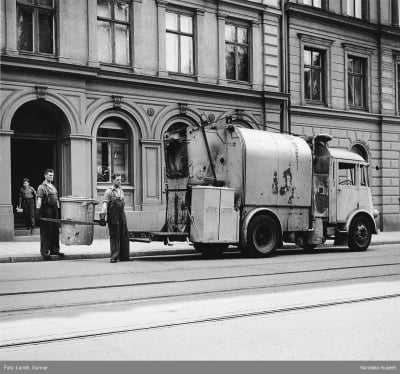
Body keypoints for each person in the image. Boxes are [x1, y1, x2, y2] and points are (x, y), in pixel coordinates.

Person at [99, 173, 130, 263]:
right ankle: (114, 257)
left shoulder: (121, 190)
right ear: (113, 180)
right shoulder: (109, 191)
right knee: (115, 237)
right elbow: (105, 204)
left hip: (122, 216)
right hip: (113, 217)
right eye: (117, 180)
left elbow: (122, 204)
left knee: (124, 236)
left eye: (120, 180)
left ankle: (124, 257)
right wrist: (102, 217)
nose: (119, 181)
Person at [36, 169, 64, 260]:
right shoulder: (41, 187)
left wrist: (59, 210)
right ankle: (44, 251)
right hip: (46, 210)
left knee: (55, 231)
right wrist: (38, 211)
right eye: (50, 175)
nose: (52, 177)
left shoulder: (53, 187)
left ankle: (55, 250)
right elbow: (39, 200)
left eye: (52, 175)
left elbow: (56, 200)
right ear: (45, 175)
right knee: (46, 231)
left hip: (54, 210)